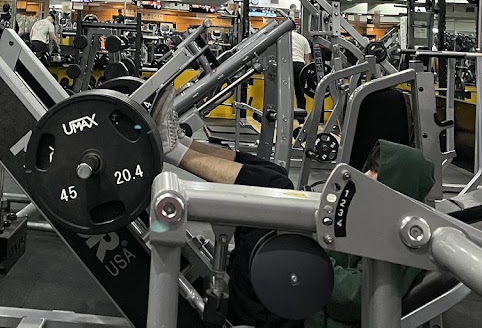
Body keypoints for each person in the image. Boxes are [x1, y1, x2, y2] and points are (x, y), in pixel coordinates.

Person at [150, 86, 435, 328]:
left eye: (376, 172)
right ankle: (184, 144)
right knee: (276, 175)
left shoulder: (404, 241)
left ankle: (175, 152)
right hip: (284, 287)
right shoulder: (382, 218)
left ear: (396, 184)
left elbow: (354, 298)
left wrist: (309, 249)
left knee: (274, 187)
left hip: (288, 308)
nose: (367, 176)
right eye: (370, 168)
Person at [290, 21, 312, 109]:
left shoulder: (283, 38)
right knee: (300, 92)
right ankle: (301, 115)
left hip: (286, 64)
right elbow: (307, 59)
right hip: (299, 66)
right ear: (295, 28)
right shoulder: (303, 39)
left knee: (284, 92)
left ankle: (283, 115)